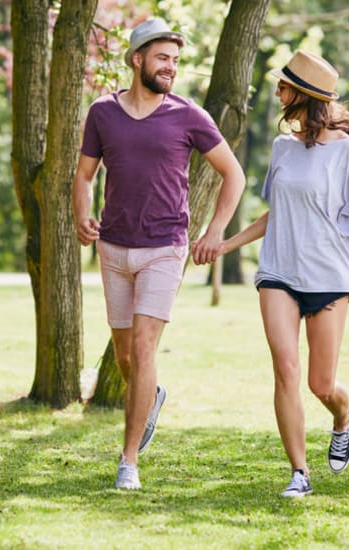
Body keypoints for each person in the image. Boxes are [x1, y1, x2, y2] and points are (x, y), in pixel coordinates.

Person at [195, 50, 349, 497]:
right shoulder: (282, 147)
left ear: (304, 96)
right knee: (286, 370)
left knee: (320, 383)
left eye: (285, 85)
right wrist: (226, 243)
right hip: (280, 270)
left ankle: (342, 417)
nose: (277, 91)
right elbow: (277, 213)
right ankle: (299, 473)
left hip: (329, 274)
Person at [72, 17, 246, 491]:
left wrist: (214, 230)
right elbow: (84, 175)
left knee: (145, 348)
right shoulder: (103, 113)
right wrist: (81, 214)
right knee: (127, 357)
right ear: (136, 60)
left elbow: (234, 175)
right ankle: (152, 396)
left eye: (175, 59)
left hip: (164, 248)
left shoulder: (189, 115)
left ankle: (128, 460)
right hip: (112, 246)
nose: (171, 67)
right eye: (162, 58)